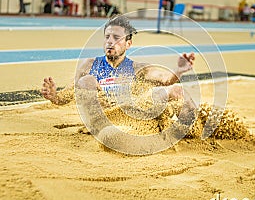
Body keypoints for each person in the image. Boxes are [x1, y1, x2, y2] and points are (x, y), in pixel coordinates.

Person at [41, 15, 196, 136]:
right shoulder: (89, 65)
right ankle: (101, 130)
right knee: (86, 81)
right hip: (103, 122)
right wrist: (54, 96)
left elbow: (165, 79)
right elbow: (67, 96)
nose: (110, 42)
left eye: (116, 38)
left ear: (128, 44)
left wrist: (179, 70)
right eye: (107, 37)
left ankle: (195, 130)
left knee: (177, 89)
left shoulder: (138, 68)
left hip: (132, 119)